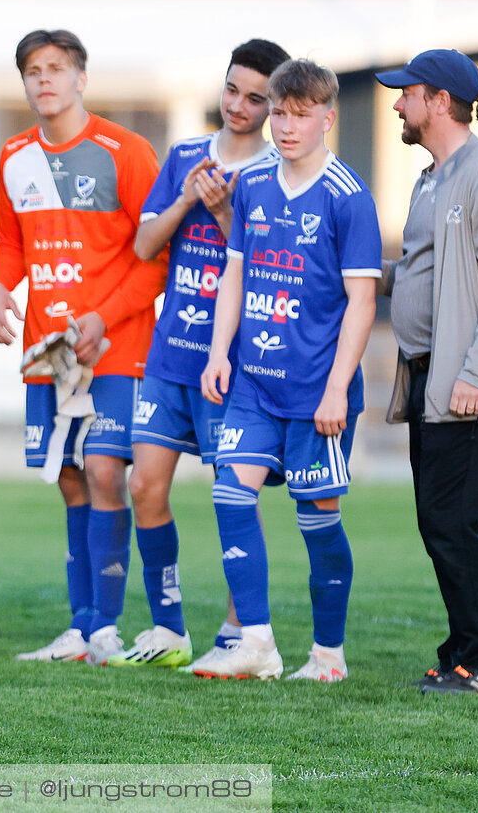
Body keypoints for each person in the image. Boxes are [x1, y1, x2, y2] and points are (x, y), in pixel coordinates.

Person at [198, 58, 379, 683]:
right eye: (279, 112)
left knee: (316, 518)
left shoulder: (348, 197)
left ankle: (328, 655)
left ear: (328, 117)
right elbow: (236, 272)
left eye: (301, 114)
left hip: (316, 393)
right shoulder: (250, 184)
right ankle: (256, 643)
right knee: (228, 493)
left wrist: (336, 390)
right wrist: (220, 352)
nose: (286, 125)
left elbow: (362, 301)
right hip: (254, 382)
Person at [0, 29, 163, 667]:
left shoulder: (128, 151)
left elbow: (157, 257)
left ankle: (106, 629)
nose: (44, 81)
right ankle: (81, 625)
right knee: (68, 478)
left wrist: (103, 316)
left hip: (114, 345)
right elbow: (10, 243)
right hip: (48, 351)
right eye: (33, 71)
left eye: (56, 69)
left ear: (81, 78)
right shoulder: (13, 155)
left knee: (105, 472)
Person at [376, 49, 478, 695]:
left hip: (472, 385)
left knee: (451, 516)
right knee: (446, 517)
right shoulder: (431, 179)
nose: (396, 104)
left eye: (407, 94)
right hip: (428, 378)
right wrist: (362, 281)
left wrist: (472, 374)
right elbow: (421, 274)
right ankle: (469, 649)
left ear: (439, 102)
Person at [119, 38, 288, 670]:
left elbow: (264, 266)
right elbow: (143, 245)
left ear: (275, 105)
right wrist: (191, 197)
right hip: (171, 356)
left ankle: (241, 631)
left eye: (255, 97)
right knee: (145, 486)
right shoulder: (186, 156)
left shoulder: (275, 172)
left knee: (233, 494)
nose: (239, 105)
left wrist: (223, 214)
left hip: (233, 362)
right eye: (232, 89)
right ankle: (168, 628)